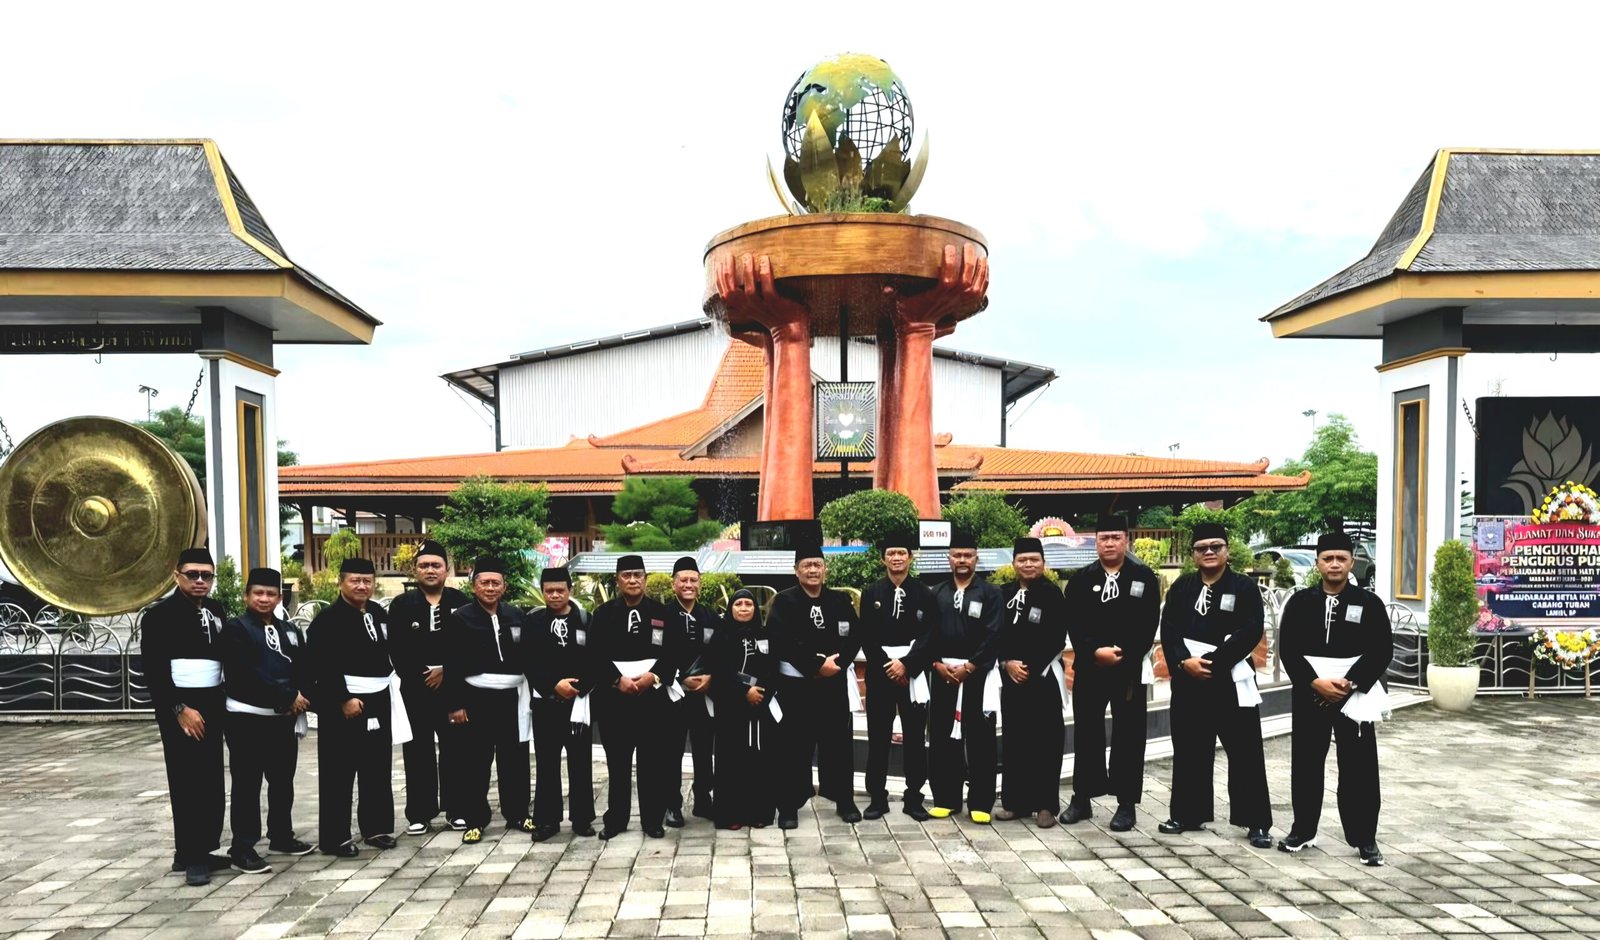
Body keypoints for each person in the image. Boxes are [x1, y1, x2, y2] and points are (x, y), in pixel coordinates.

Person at [1278, 531, 1393, 866]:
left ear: (1351, 562)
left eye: (1341, 558)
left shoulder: (1369, 603)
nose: (1334, 564)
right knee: (1306, 763)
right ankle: (1303, 830)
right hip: (1311, 692)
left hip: (1352, 694)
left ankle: (1364, 837)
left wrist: (1351, 682)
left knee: (1359, 767)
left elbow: (1381, 650)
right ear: (1317, 563)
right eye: (1327, 558)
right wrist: (1314, 683)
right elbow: (1289, 650)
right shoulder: (1300, 602)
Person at [1157, 522, 1273, 847]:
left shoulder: (1244, 588)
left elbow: (1251, 630)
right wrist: (1184, 662)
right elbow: (1169, 629)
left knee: (1245, 752)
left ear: (1227, 551)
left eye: (1215, 546)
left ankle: (1256, 821)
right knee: (1189, 749)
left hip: (1230, 678)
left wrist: (1213, 662)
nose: (1209, 552)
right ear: (1194, 554)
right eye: (1201, 548)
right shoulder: (1182, 587)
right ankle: (1187, 813)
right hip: (1189, 679)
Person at [1059, 516, 1161, 832]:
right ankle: (1082, 798)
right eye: (1104, 538)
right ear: (1096, 542)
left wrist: (1124, 653)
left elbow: (1149, 622)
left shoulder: (1143, 577)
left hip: (1127, 669)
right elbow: (1074, 623)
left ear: (1126, 540)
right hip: (1091, 668)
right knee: (1087, 733)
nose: (1110, 543)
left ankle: (1126, 803)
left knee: (1129, 735)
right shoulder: (1081, 580)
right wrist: (1094, 651)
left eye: (1116, 537)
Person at [309, 557, 409, 858]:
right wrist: (342, 698)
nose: (362, 586)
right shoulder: (327, 620)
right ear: (341, 582)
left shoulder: (378, 613)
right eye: (355, 580)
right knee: (338, 770)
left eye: (367, 581)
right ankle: (334, 837)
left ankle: (376, 828)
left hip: (379, 697)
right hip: (344, 701)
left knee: (377, 767)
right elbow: (321, 664)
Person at [141, 547, 230, 886]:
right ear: (176, 575)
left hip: (213, 701)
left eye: (206, 575)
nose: (200, 581)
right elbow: (154, 670)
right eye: (192, 574)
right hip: (180, 705)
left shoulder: (216, 610)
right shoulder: (158, 616)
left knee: (211, 779)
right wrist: (178, 708)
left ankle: (200, 848)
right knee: (187, 779)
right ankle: (192, 856)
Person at [221, 567, 315, 874]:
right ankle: (242, 848)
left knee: (282, 780)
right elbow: (245, 672)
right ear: (246, 596)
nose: (264, 599)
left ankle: (281, 836)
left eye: (271, 594)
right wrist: (287, 696)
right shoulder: (236, 629)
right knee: (248, 784)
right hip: (247, 718)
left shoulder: (290, 630)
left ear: (279, 598)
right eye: (258, 593)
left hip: (283, 719)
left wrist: (303, 694)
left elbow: (303, 666)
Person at [768, 535, 863, 828]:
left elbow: (854, 636)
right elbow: (781, 641)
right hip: (797, 687)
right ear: (796, 570)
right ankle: (789, 805)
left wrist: (838, 664)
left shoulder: (840, 600)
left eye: (817, 565)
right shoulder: (784, 601)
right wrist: (816, 665)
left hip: (833, 685)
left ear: (825, 569)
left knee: (838, 745)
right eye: (807, 565)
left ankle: (844, 799)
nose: (813, 570)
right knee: (793, 747)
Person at [444, 556, 534, 844]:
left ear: (504, 586)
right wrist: (455, 704)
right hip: (476, 697)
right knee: (475, 761)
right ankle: (475, 819)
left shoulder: (516, 615)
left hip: (512, 697)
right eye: (485, 583)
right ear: (474, 586)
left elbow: (529, 656)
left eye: (496, 583)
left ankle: (517, 813)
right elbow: (452, 663)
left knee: (515, 758)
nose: (491, 588)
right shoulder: (460, 618)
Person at [592, 555, 682, 839]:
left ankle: (652, 819)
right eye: (627, 575)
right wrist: (616, 680)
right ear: (617, 580)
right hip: (614, 699)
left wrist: (653, 677)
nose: (633, 580)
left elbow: (673, 651)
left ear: (645, 578)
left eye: (638, 575)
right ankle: (616, 819)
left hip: (652, 698)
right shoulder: (603, 614)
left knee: (651, 762)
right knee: (618, 763)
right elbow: (594, 654)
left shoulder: (662, 613)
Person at [386, 540, 470, 835]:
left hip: (453, 689)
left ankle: (457, 809)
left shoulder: (461, 602)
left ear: (447, 570)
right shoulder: (401, 605)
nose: (430, 570)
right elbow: (396, 650)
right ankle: (419, 813)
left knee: (455, 751)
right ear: (415, 570)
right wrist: (423, 675)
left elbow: (469, 648)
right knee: (417, 752)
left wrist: (446, 671)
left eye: (436, 565)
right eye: (424, 565)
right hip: (416, 689)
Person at [927, 529, 1005, 823]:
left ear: (976, 558)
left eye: (968, 555)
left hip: (977, 675)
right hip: (944, 674)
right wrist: (936, 664)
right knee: (942, 737)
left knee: (981, 739)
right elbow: (927, 634)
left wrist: (970, 667)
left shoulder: (991, 593)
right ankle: (946, 798)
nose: (962, 560)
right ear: (949, 558)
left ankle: (981, 802)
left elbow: (994, 634)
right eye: (957, 555)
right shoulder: (936, 593)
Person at [859, 531, 936, 821]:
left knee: (915, 737)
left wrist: (907, 665)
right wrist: (888, 666)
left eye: (901, 553)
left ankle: (914, 797)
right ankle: (877, 797)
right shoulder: (871, 592)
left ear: (910, 557)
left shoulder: (924, 593)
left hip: (912, 674)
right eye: (890, 553)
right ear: (883, 559)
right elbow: (866, 635)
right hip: (881, 673)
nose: (896, 558)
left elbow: (930, 635)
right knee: (878, 735)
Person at [994, 537, 1067, 828]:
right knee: (1015, 739)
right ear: (1013, 563)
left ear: (1043, 563)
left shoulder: (1052, 594)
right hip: (1011, 677)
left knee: (1046, 740)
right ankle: (1015, 802)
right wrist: (1006, 662)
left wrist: (1028, 667)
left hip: (1043, 677)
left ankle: (1046, 804)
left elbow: (1056, 638)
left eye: (1034, 560)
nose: (1028, 564)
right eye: (1022, 560)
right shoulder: (1003, 593)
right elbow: (994, 632)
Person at [523, 566, 597, 842]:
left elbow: (596, 658)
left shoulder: (586, 620)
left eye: (560, 590)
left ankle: (582, 818)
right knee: (547, 763)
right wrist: (553, 684)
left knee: (581, 762)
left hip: (578, 703)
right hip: (546, 703)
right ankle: (547, 819)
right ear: (542, 592)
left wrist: (578, 687)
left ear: (570, 590)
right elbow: (528, 660)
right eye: (549, 591)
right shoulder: (533, 622)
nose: (554, 595)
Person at [709, 588, 778, 829]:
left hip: (760, 707)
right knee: (732, 762)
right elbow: (720, 670)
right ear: (731, 609)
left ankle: (759, 812)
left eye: (748, 604)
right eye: (739, 604)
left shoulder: (765, 635)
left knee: (759, 761)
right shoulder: (721, 636)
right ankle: (731, 814)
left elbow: (773, 667)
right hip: (731, 709)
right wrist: (744, 691)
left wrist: (760, 692)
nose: (744, 608)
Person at [663, 556, 717, 827]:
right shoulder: (663, 616)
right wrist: (679, 679)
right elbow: (657, 654)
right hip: (674, 694)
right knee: (671, 751)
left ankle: (703, 799)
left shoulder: (710, 616)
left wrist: (712, 677)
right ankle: (672, 804)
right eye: (683, 580)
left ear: (700, 583)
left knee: (704, 750)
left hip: (704, 694)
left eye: (693, 580)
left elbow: (721, 651)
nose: (688, 585)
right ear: (673, 584)